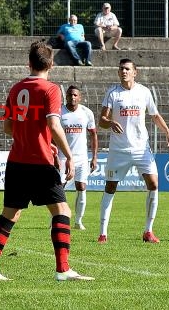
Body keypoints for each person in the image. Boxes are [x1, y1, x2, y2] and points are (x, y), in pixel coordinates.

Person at [0, 41, 94, 281]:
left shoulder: (16, 88)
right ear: (51, 64)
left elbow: (8, 128)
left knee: (10, 214)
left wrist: (31, 135)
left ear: (29, 63)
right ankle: (62, 269)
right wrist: (69, 155)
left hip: (17, 162)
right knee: (62, 211)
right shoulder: (51, 89)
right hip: (41, 162)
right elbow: (53, 124)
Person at [97, 58, 169, 244]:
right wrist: (109, 122)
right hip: (119, 150)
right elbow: (101, 120)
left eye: (127, 69)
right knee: (110, 187)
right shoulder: (113, 93)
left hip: (142, 148)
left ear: (135, 72)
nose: (123, 71)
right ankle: (103, 233)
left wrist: (168, 132)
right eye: (121, 69)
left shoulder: (144, 92)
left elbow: (154, 115)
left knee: (154, 184)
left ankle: (148, 231)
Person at [58, 85, 98, 230]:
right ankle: (55, 219)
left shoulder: (87, 113)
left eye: (75, 95)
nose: (72, 97)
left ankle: (78, 222)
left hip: (81, 158)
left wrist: (94, 157)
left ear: (79, 97)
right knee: (59, 188)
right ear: (66, 97)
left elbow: (93, 135)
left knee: (81, 187)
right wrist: (55, 155)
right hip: (62, 157)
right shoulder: (59, 112)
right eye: (70, 95)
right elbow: (51, 135)